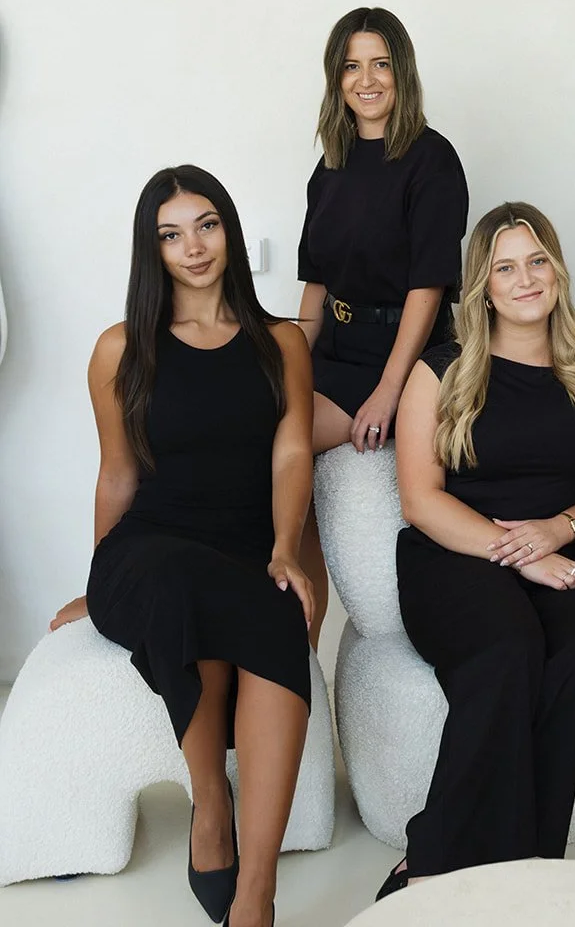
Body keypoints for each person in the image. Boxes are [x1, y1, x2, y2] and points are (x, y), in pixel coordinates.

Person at [51, 165, 315, 927]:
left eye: (206, 225)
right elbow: (117, 473)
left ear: (229, 230)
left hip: (242, 546)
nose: (193, 248)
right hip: (150, 549)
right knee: (174, 581)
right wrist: (101, 578)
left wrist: (285, 548)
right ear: (153, 249)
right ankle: (210, 802)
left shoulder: (281, 343)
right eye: (171, 235)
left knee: (275, 607)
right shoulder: (119, 349)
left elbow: (292, 452)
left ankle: (256, 895)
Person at [376, 203, 575, 900]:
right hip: (452, 555)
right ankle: (433, 859)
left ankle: (529, 870)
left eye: (537, 261)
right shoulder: (441, 370)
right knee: (509, 649)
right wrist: (519, 551)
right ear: (482, 286)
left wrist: (559, 531)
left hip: (558, 551)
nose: (525, 279)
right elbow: (421, 499)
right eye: (505, 268)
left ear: (558, 270)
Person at [295, 6, 470, 645]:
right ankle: (297, 638)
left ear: (403, 72)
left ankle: (287, 624)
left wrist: (390, 391)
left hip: (401, 353)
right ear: (335, 77)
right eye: (351, 66)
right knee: (250, 416)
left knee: (278, 437)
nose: (365, 80)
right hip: (335, 344)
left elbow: (428, 288)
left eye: (380, 64)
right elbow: (317, 283)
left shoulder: (432, 159)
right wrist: (288, 359)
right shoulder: (331, 165)